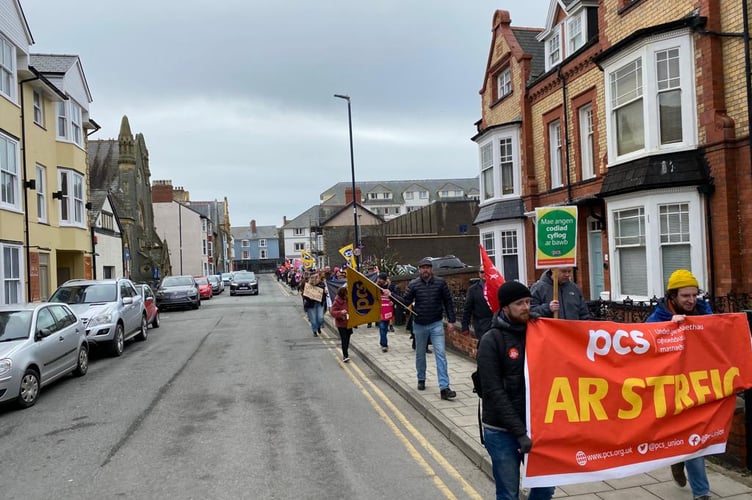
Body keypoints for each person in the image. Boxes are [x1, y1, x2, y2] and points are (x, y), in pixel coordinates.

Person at [476, 281, 555, 500]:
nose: (526, 307)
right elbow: (493, 391)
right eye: (519, 303)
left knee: (545, 488)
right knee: (509, 492)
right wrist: (519, 432)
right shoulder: (491, 340)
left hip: (535, 427)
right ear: (505, 307)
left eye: (529, 302)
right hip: (501, 430)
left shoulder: (537, 332)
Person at [646, 269, 712, 500]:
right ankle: (678, 458)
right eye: (685, 296)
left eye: (694, 295)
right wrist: (667, 328)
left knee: (693, 439)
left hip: (697, 385)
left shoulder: (704, 312)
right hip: (670, 389)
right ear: (672, 296)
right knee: (688, 440)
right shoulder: (657, 318)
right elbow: (644, 345)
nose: (691, 300)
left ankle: (701, 493)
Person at [386, 257, 457, 400]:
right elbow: (406, 302)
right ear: (419, 270)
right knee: (420, 354)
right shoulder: (414, 284)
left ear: (431, 269)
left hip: (436, 323)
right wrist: (391, 295)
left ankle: (444, 387)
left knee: (441, 354)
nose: (425, 270)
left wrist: (451, 320)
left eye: (428, 267)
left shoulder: (440, 283)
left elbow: (448, 302)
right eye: (423, 267)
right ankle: (421, 378)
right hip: (419, 324)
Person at [461, 266, 493, 340]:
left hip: (495, 323)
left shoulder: (496, 287)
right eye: (482, 272)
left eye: (486, 271)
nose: (484, 274)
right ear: (479, 274)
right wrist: (465, 326)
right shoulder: (472, 290)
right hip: (481, 325)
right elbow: (467, 309)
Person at [329, 286, 352, 362]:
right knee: (344, 338)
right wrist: (340, 312)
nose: (347, 294)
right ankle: (345, 355)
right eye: (346, 293)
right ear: (343, 294)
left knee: (348, 337)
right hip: (341, 324)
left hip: (349, 322)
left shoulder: (348, 299)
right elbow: (332, 312)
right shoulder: (336, 302)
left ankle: (346, 351)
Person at [376, 272, 397, 352]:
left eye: (380, 279)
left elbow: (396, 296)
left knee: (385, 327)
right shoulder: (376, 286)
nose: (379, 280)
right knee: (382, 326)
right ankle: (384, 345)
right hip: (380, 309)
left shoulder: (391, 286)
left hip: (388, 310)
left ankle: (382, 341)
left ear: (384, 280)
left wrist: (393, 302)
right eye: (378, 279)